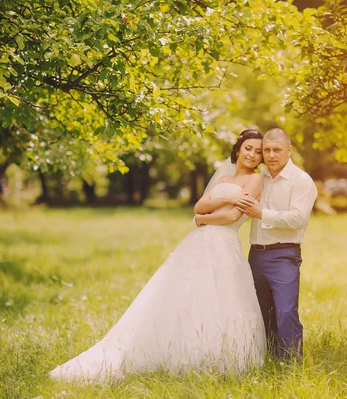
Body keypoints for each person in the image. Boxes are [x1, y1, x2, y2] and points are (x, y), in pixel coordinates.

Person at [50, 129, 266, 382]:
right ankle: (180, 347)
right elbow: (198, 205)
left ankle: (216, 353)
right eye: (248, 148)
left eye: (258, 151)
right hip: (199, 244)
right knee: (185, 296)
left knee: (219, 295)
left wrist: (201, 218)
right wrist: (218, 203)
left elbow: (230, 217)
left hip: (225, 245)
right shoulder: (221, 181)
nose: (252, 154)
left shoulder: (256, 180)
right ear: (238, 149)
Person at [238, 128, 317, 362]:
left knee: (285, 311)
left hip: (284, 254)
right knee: (263, 312)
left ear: (289, 150)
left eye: (277, 150)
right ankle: (270, 358)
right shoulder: (259, 178)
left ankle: (291, 363)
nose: (271, 155)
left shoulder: (301, 181)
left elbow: (297, 218)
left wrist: (262, 213)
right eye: (267, 150)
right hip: (256, 255)